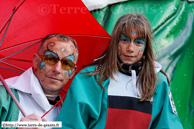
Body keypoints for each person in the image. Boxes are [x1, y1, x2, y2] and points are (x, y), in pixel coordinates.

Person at [57, 14, 183, 129]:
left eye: (138, 42)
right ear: (115, 42)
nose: (130, 48)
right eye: (125, 40)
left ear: (146, 47)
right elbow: (70, 125)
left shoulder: (158, 82)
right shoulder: (89, 78)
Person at [0, 34, 78, 127]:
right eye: (50, 59)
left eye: (66, 63)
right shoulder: (4, 96)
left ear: (72, 72)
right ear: (36, 61)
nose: (57, 69)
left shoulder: (69, 114)